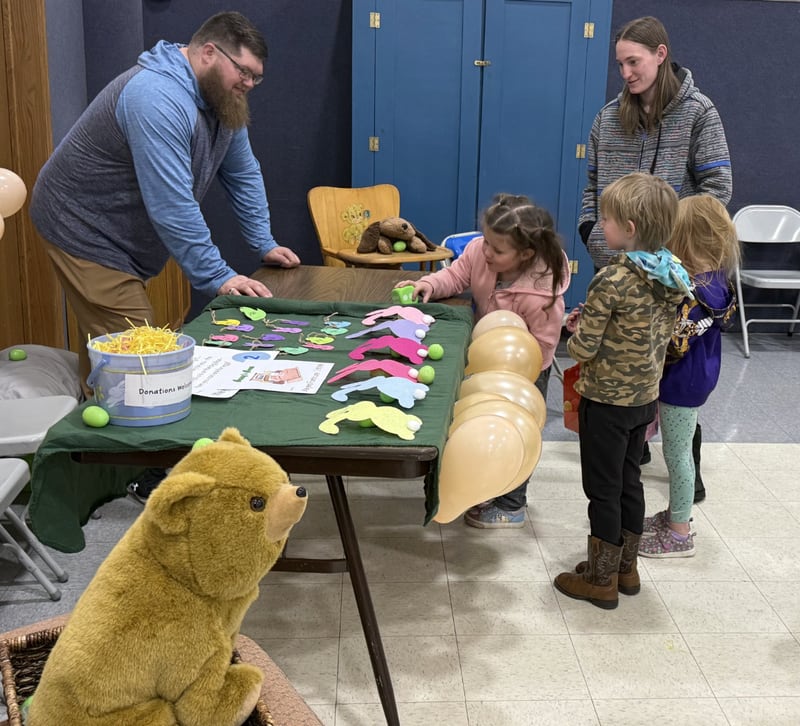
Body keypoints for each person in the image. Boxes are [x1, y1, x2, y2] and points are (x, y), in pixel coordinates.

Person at [30, 11, 300, 398]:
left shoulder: (224, 99)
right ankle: (120, 450)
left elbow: (243, 173)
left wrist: (264, 243)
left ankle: (96, 411)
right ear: (209, 52)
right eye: (243, 71)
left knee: (116, 351)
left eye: (256, 76)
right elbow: (172, 206)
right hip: (81, 225)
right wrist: (218, 277)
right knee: (139, 357)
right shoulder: (155, 98)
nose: (249, 83)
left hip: (124, 230)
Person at [578, 15, 732, 484]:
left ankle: (688, 470)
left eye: (634, 61)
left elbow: (716, 190)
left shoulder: (699, 113)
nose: (626, 72)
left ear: (660, 55)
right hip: (617, 269)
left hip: (671, 277)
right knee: (624, 365)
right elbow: (591, 185)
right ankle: (632, 457)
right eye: (620, 63)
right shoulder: (608, 116)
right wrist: (592, 232)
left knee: (672, 372)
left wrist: (672, 250)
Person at [554, 172, 690, 610]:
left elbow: (585, 346)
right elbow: (661, 334)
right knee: (629, 481)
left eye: (607, 219)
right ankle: (625, 570)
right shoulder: (671, 274)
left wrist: (572, 332)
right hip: (643, 400)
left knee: (602, 489)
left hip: (606, 403)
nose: (601, 225)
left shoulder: (612, 279)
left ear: (629, 229)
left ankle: (600, 580)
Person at [395, 193, 570, 528]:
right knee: (481, 423)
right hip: (484, 357)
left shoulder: (541, 294)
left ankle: (513, 502)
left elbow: (545, 343)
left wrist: (523, 374)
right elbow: (457, 275)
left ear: (527, 254)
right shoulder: (479, 252)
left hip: (526, 373)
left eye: (497, 249)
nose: (485, 251)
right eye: (485, 241)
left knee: (515, 431)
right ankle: (486, 482)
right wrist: (428, 284)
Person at [639, 195, 739, 558]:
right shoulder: (717, 281)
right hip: (698, 377)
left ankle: (679, 531)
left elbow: (673, 344)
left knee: (678, 453)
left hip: (682, 383)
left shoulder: (695, 292)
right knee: (678, 450)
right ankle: (674, 516)